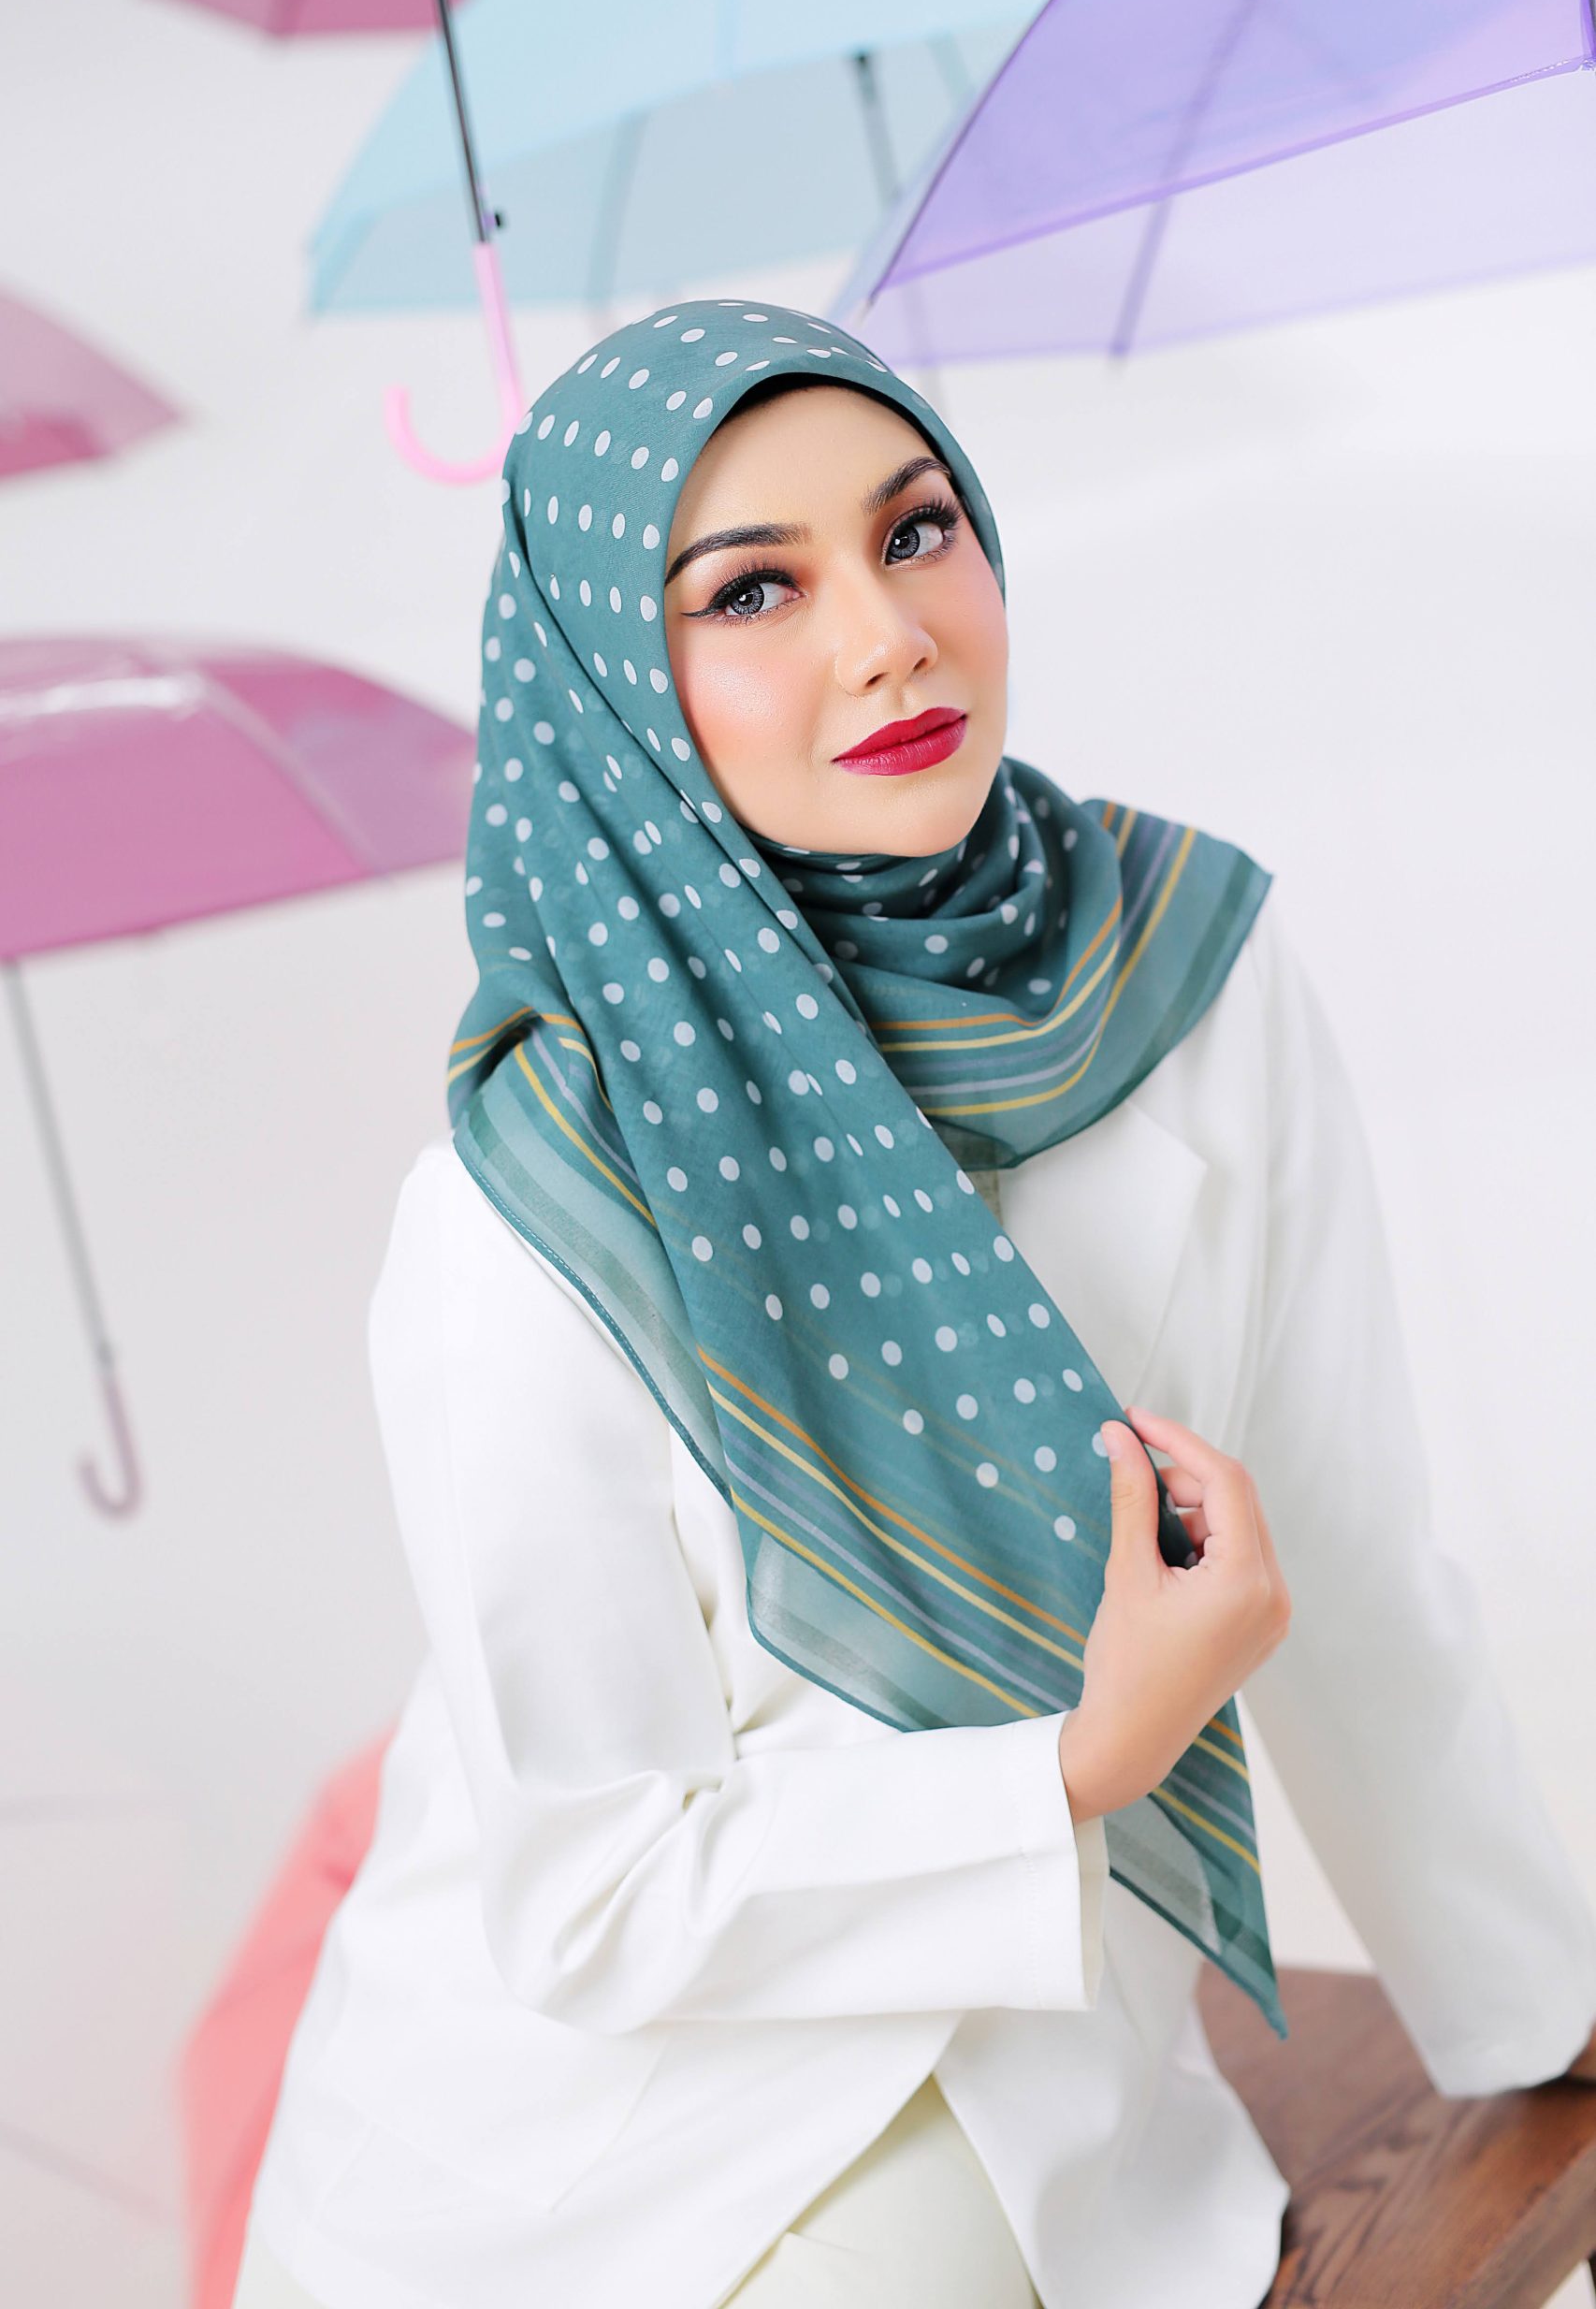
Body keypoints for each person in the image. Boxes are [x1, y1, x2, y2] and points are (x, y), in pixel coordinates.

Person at [233, 300, 1596, 2309]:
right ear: (612, 681)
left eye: (915, 530)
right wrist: (1078, 1760)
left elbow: (1347, 1551)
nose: (885, 636)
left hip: (1032, 2085)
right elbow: (594, 1893)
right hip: (581, 2153)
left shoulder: (1182, 970)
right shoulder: (535, 1190)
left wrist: (1529, 2002)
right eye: (754, 589)